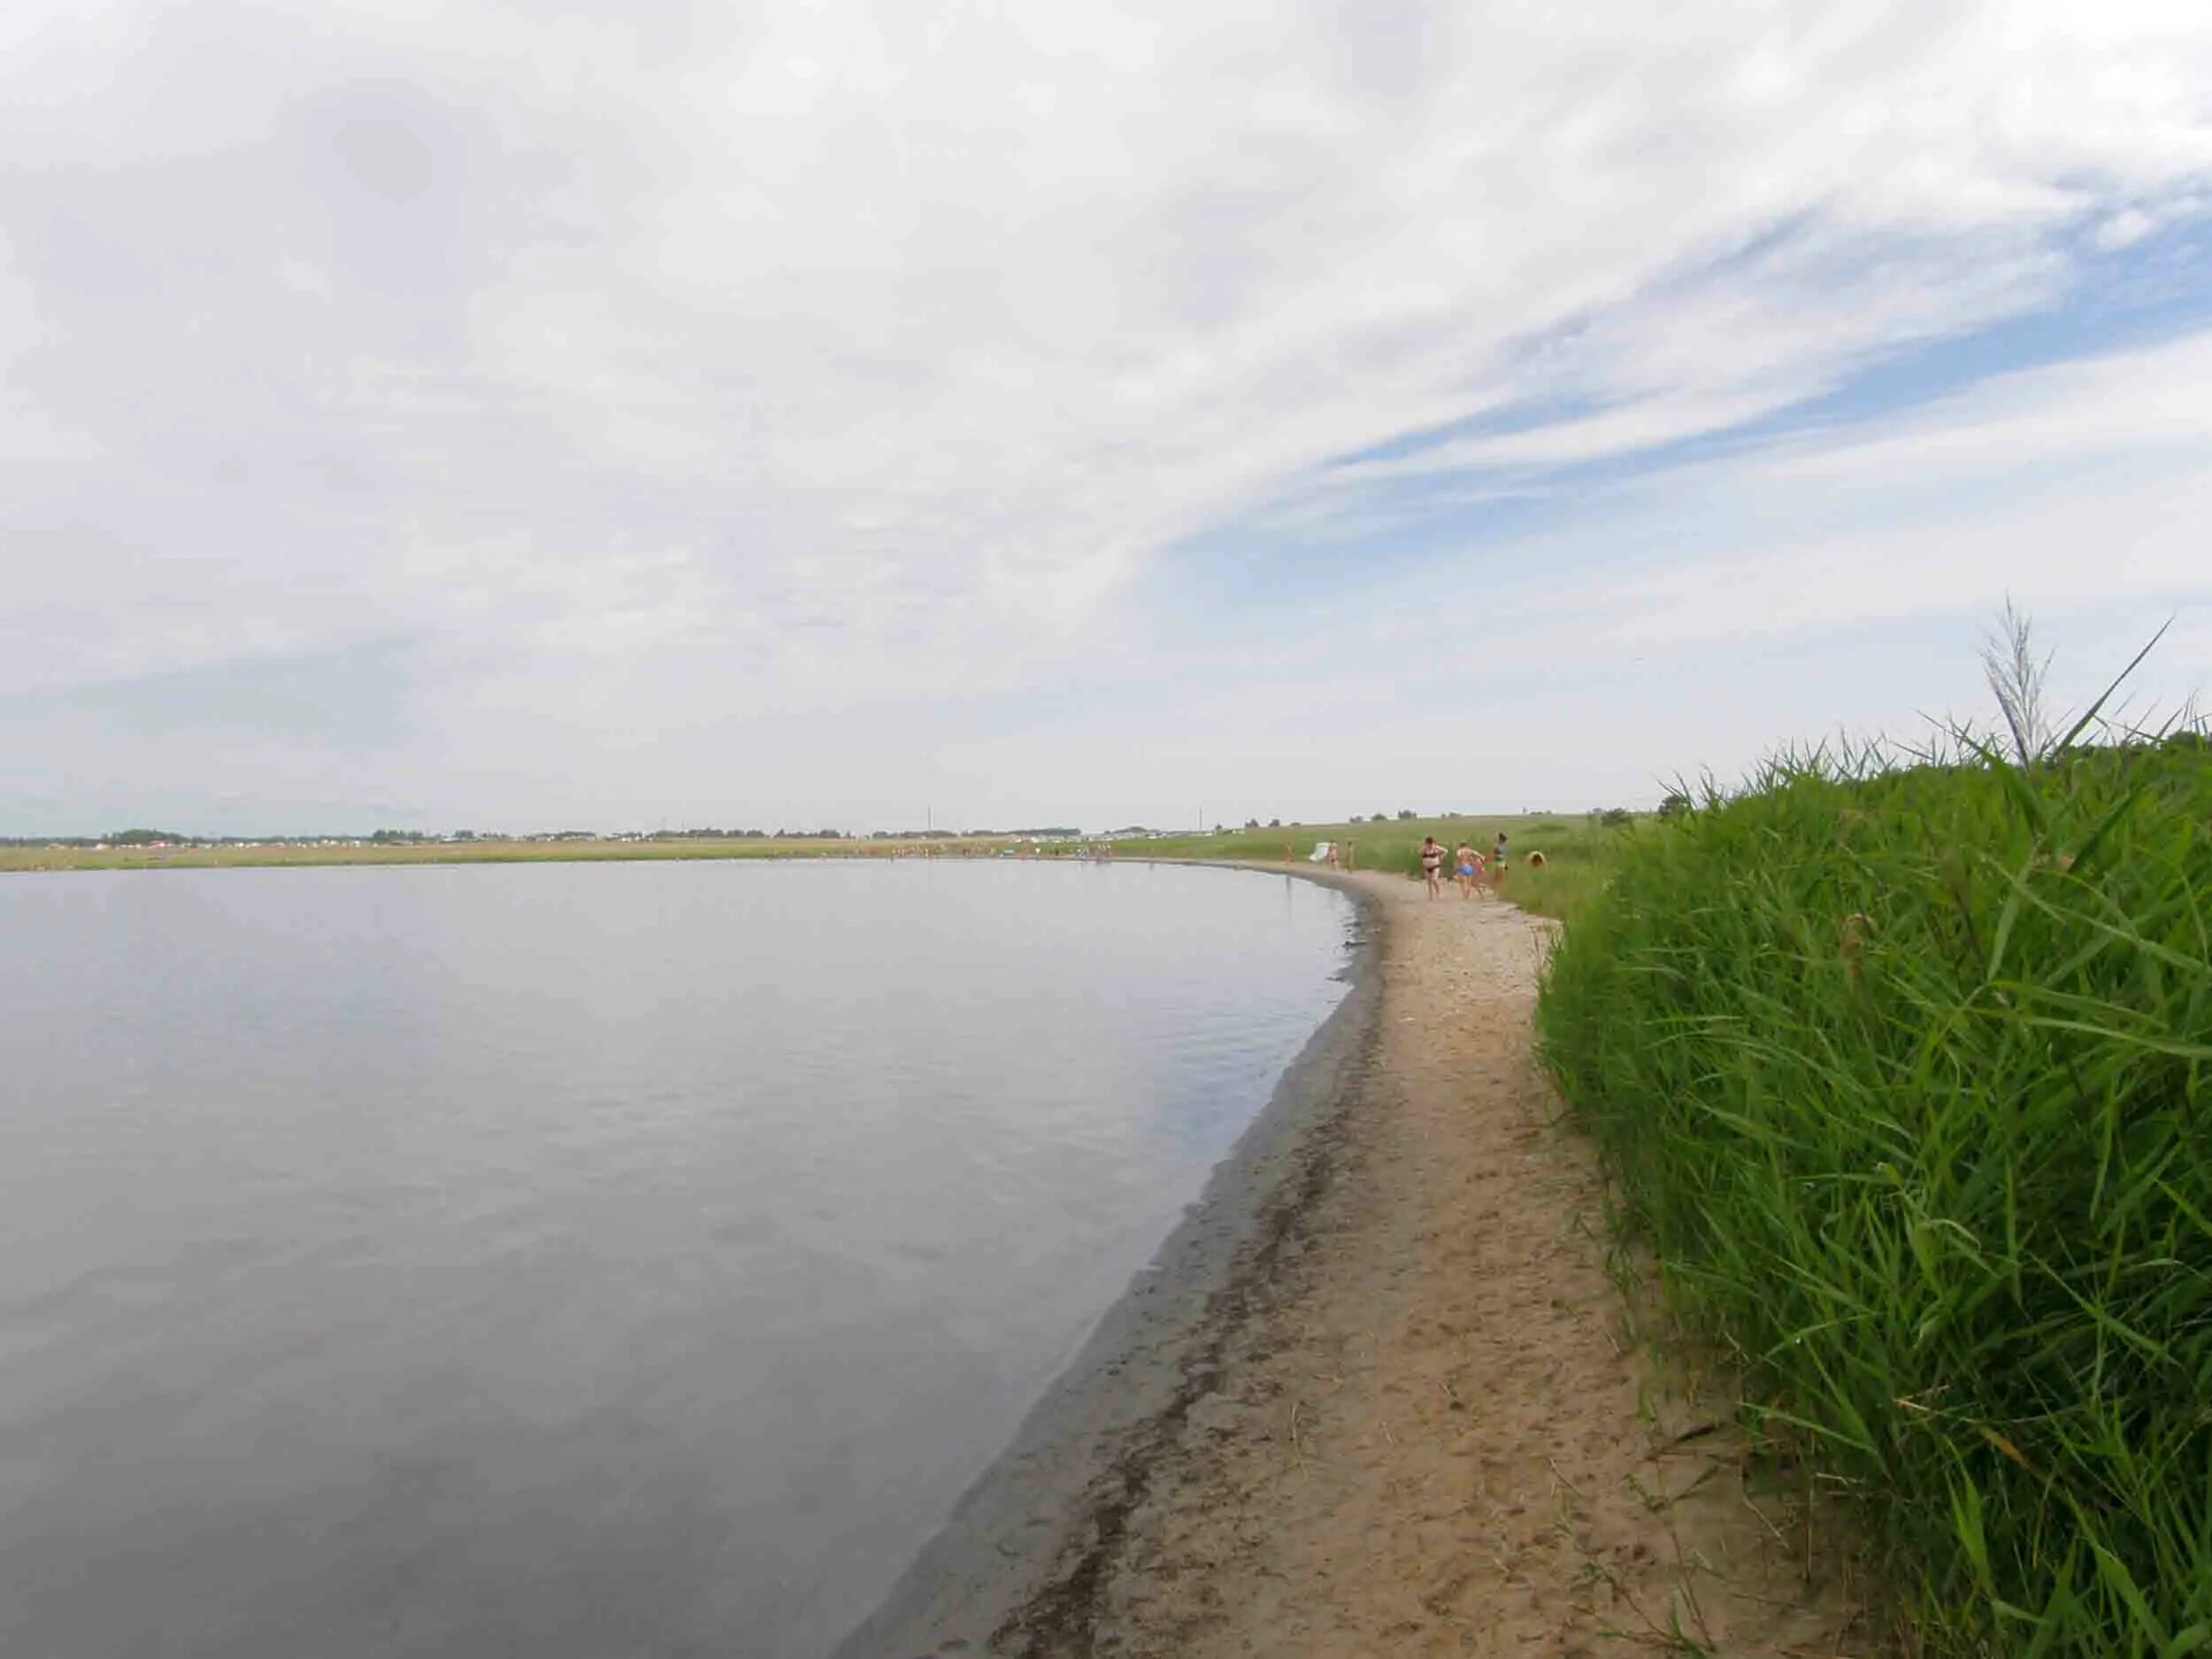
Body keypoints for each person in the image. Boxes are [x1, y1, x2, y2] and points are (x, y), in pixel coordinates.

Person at [1419, 834, 1446, 898]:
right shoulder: (1424, 849)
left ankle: (1438, 892)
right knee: (1429, 882)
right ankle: (1430, 895)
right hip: (1427, 867)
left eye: (1431, 843)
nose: (1430, 845)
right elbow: (1420, 853)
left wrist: (1441, 858)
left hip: (1435, 866)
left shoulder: (1436, 848)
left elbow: (1445, 851)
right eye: (1428, 844)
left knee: (1434, 880)